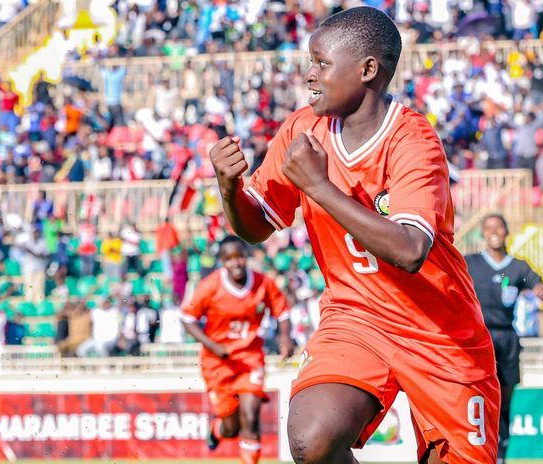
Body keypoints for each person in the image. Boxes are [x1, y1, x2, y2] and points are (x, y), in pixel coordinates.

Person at [208, 7, 500, 464]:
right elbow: (257, 227)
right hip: (355, 318)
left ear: (367, 70)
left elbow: (410, 250)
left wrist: (318, 187)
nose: (309, 75)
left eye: (322, 63)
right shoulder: (303, 130)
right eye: (311, 62)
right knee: (311, 440)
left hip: (438, 330)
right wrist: (230, 189)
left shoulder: (413, 139)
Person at [182, 235, 293, 464]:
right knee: (232, 427)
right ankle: (217, 429)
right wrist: (213, 346)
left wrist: (285, 338)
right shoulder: (210, 286)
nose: (236, 263)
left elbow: (282, 312)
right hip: (217, 363)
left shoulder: (263, 283)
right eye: (229, 259)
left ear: (246, 256)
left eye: (239, 256)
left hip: (249, 359)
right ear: (222, 261)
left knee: (250, 417)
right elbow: (187, 318)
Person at [464, 214, 543, 463]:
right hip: (479, 337)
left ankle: (502, 449)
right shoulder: (471, 262)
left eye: (498, 226)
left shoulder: (518, 266)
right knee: (480, 395)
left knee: (505, 397)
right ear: (482, 233)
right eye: (489, 228)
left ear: (507, 231)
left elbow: (542, 289)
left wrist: (541, 292)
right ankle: (481, 448)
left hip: (508, 338)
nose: (494, 231)